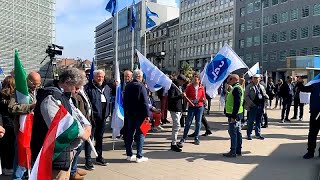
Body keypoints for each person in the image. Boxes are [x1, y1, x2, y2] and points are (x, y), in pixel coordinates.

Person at [31, 68, 91, 180]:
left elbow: (74, 116)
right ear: (67, 83)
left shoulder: (64, 96)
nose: (77, 91)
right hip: (53, 154)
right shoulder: (51, 97)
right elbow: (61, 126)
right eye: (76, 88)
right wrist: (83, 133)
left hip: (62, 152)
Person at [8, 71, 41, 180]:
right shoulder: (19, 92)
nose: (36, 86)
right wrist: (30, 107)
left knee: (31, 157)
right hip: (23, 131)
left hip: (35, 130)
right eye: (34, 83)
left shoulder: (39, 91)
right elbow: (11, 107)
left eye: (38, 83)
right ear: (28, 81)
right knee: (20, 158)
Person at [69, 70, 93, 180]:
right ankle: (72, 172)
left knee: (79, 148)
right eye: (83, 77)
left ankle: (74, 169)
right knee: (75, 149)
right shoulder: (73, 92)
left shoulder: (82, 90)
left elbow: (87, 105)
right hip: (78, 125)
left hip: (85, 122)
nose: (85, 79)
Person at [123, 69, 151, 163]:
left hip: (130, 114)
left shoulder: (128, 86)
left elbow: (125, 100)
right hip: (140, 114)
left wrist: (126, 111)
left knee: (129, 133)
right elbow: (145, 102)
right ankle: (139, 156)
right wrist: (148, 115)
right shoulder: (141, 87)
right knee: (140, 134)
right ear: (140, 77)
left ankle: (129, 154)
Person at [85, 69, 111, 166]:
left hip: (103, 118)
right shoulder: (88, 88)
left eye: (102, 76)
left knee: (99, 139)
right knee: (89, 139)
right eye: (98, 76)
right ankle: (88, 160)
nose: (100, 78)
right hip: (92, 119)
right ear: (94, 77)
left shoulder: (107, 88)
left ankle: (99, 157)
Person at [180, 73, 206, 146]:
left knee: (198, 123)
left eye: (196, 80)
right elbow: (185, 93)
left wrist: (203, 100)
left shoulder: (202, 87)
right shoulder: (189, 87)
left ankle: (196, 138)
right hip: (191, 106)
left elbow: (204, 97)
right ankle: (184, 137)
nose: (194, 81)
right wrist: (185, 95)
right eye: (193, 79)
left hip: (200, 107)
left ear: (199, 80)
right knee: (188, 122)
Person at [223, 74, 244, 157]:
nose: (228, 80)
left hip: (234, 115)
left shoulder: (236, 89)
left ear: (235, 79)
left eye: (230, 79)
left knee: (233, 133)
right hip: (237, 114)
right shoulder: (237, 88)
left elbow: (237, 103)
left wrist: (233, 116)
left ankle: (233, 151)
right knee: (237, 132)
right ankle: (238, 150)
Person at [300, 76, 320, 159]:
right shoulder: (315, 86)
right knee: (312, 133)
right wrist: (300, 82)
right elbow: (304, 89)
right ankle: (310, 152)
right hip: (315, 114)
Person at [244, 74, 268, 140]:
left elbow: (264, 94)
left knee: (259, 121)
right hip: (253, 106)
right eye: (254, 78)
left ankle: (258, 134)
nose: (256, 79)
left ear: (260, 79)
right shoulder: (249, 87)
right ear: (252, 79)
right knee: (251, 121)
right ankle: (249, 134)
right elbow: (246, 96)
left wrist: (266, 97)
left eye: (257, 78)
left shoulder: (262, 87)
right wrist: (251, 104)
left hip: (260, 106)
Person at [0, 76, 16, 175]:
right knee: (12, 147)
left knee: (3, 147)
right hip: (12, 124)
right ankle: (10, 167)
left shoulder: (0, 95)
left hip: (2, 123)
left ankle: (4, 167)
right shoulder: (14, 96)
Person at [168, 74, 186, 152]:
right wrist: (180, 96)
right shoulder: (173, 86)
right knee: (177, 125)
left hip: (179, 109)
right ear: (179, 80)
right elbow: (171, 98)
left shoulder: (179, 86)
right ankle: (173, 144)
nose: (183, 83)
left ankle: (174, 142)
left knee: (177, 127)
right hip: (174, 109)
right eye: (182, 81)